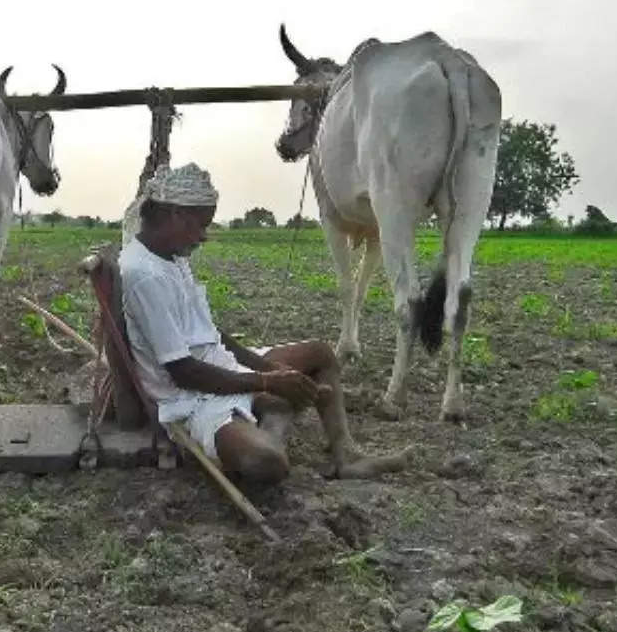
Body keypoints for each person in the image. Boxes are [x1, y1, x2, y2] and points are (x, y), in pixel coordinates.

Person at [119, 162, 408, 482]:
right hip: (190, 398)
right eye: (201, 225)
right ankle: (270, 411)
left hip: (219, 367)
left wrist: (268, 370)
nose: (204, 236)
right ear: (175, 214)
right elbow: (182, 372)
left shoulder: (171, 256)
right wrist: (266, 382)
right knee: (266, 463)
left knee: (321, 354)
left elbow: (210, 336)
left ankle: (346, 455)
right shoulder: (143, 275)